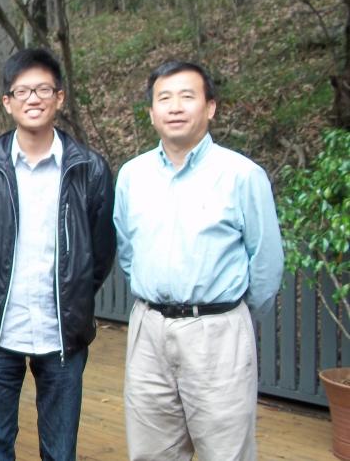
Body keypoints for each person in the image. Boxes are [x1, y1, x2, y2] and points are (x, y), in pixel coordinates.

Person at [114, 61, 283, 461]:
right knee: (150, 451)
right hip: (148, 331)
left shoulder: (242, 175)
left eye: (187, 96)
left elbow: (267, 263)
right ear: (151, 112)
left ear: (210, 108)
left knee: (225, 451)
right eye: (164, 98)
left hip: (217, 333)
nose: (175, 107)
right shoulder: (131, 176)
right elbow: (126, 252)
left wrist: (228, 316)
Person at [0, 48, 116, 461]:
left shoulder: (90, 169)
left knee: (60, 452)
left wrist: (75, 290)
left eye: (43, 89)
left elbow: (99, 252)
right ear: (7, 102)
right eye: (22, 90)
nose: (34, 98)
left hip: (62, 330)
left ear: (59, 98)